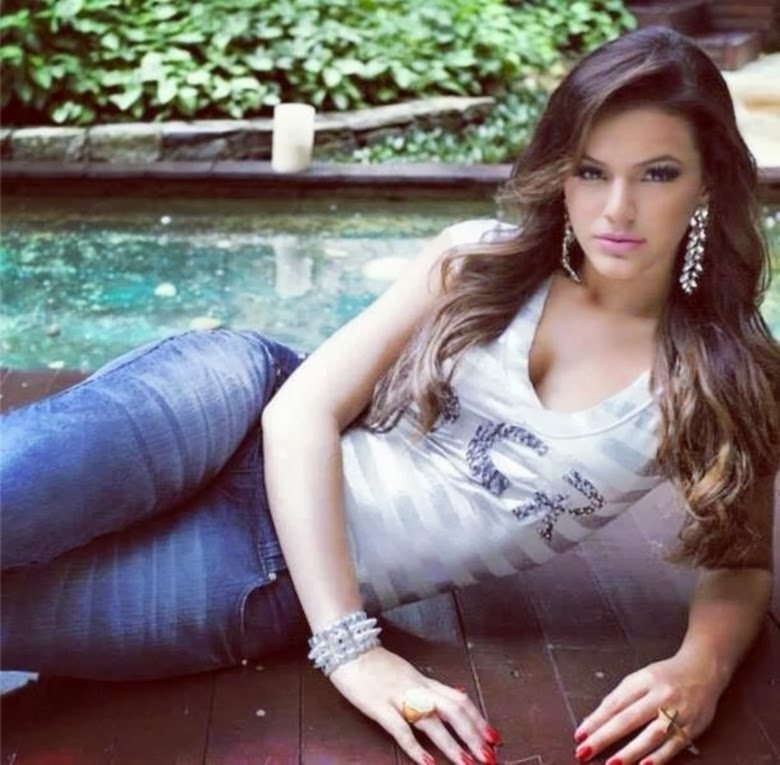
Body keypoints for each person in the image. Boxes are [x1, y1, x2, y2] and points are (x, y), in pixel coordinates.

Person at [1, 24, 777, 765]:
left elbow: (741, 561)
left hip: (268, 576)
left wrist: (700, 667)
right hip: (234, 406)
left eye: (658, 173)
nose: (617, 209)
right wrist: (352, 649)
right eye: (591, 170)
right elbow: (299, 410)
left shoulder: (722, 379)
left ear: (708, 179)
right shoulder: (476, 262)